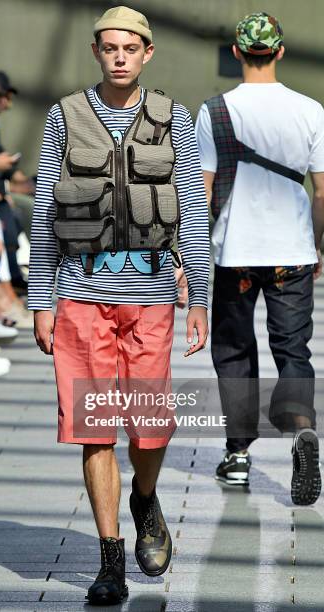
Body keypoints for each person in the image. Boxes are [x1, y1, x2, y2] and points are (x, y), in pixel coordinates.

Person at [29, 5, 209, 606]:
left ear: (148, 52)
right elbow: (45, 212)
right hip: (80, 295)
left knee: (150, 429)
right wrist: (40, 300)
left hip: (153, 297)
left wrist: (199, 300)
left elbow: (191, 211)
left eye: (131, 48)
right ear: (96, 52)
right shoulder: (64, 117)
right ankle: (110, 561)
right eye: (110, 48)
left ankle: (145, 498)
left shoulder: (173, 119)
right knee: (94, 431)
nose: (121, 57)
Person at [195, 12, 324, 505]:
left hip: (234, 252)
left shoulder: (214, 110)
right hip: (290, 249)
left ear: (235, 53)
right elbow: (321, 192)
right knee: (293, 349)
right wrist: (315, 244)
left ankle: (239, 454)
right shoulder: (310, 109)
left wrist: (192, 256)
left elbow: (202, 191)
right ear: (281, 52)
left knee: (234, 350)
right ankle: (301, 429)